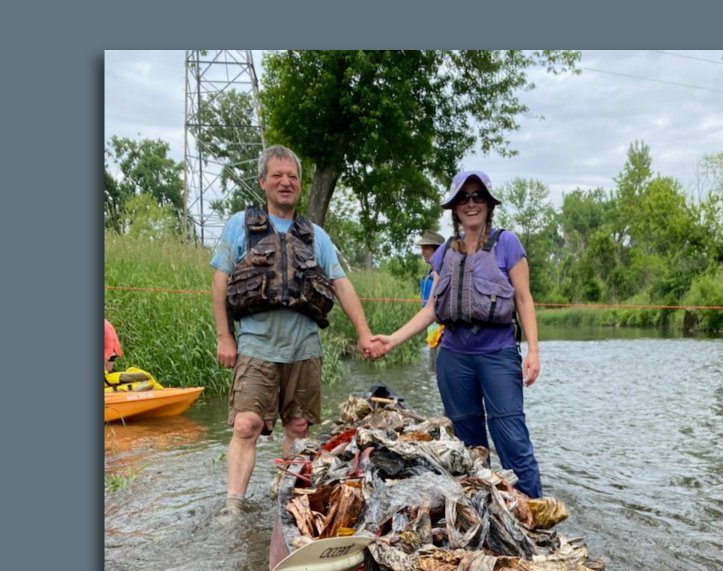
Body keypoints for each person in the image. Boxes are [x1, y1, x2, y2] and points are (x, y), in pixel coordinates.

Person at [210, 145, 384, 515]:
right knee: (246, 424)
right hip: (256, 346)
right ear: (263, 181)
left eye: (292, 177)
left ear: (300, 185)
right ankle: (234, 508)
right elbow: (220, 280)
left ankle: (291, 503)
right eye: (277, 175)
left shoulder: (316, 236)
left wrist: (365, 333)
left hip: (304, 347)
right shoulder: (239, 227)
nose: (285, 182)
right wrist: (224, 336)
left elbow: (341, 284)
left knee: (299, 426)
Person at [371, 170, 543, 498]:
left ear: (489, 204)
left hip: (498, 354)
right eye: (463, 198)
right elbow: (432, 309)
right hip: (454, 358)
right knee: (467, 447)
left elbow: (524, 299)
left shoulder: (507, 243)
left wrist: (533, 351)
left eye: (478, 196)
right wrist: (392, 339)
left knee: (512, 439)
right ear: (454, 208)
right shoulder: (446, 252)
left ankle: (533, 513)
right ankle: (484, 509)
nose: (471, 203)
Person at [416, 231, 444, 372]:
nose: (422, 252)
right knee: (436, 375)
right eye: (422, 248)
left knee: (445, 376)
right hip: (432, 336)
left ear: (437, 250)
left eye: (426, 248)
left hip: (445, 337)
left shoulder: (447, 274)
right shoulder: (427, 277)